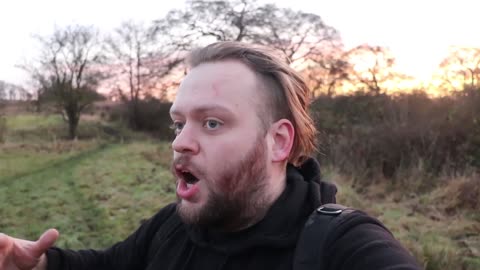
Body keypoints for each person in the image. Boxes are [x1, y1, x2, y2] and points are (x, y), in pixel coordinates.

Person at [0, 41, 421, 270]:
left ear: (279, 142)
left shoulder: (343, 245)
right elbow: (113, 263)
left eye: (212, 123)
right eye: (178, 122)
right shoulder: (173, 224)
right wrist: (38, 265)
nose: (180, 141)